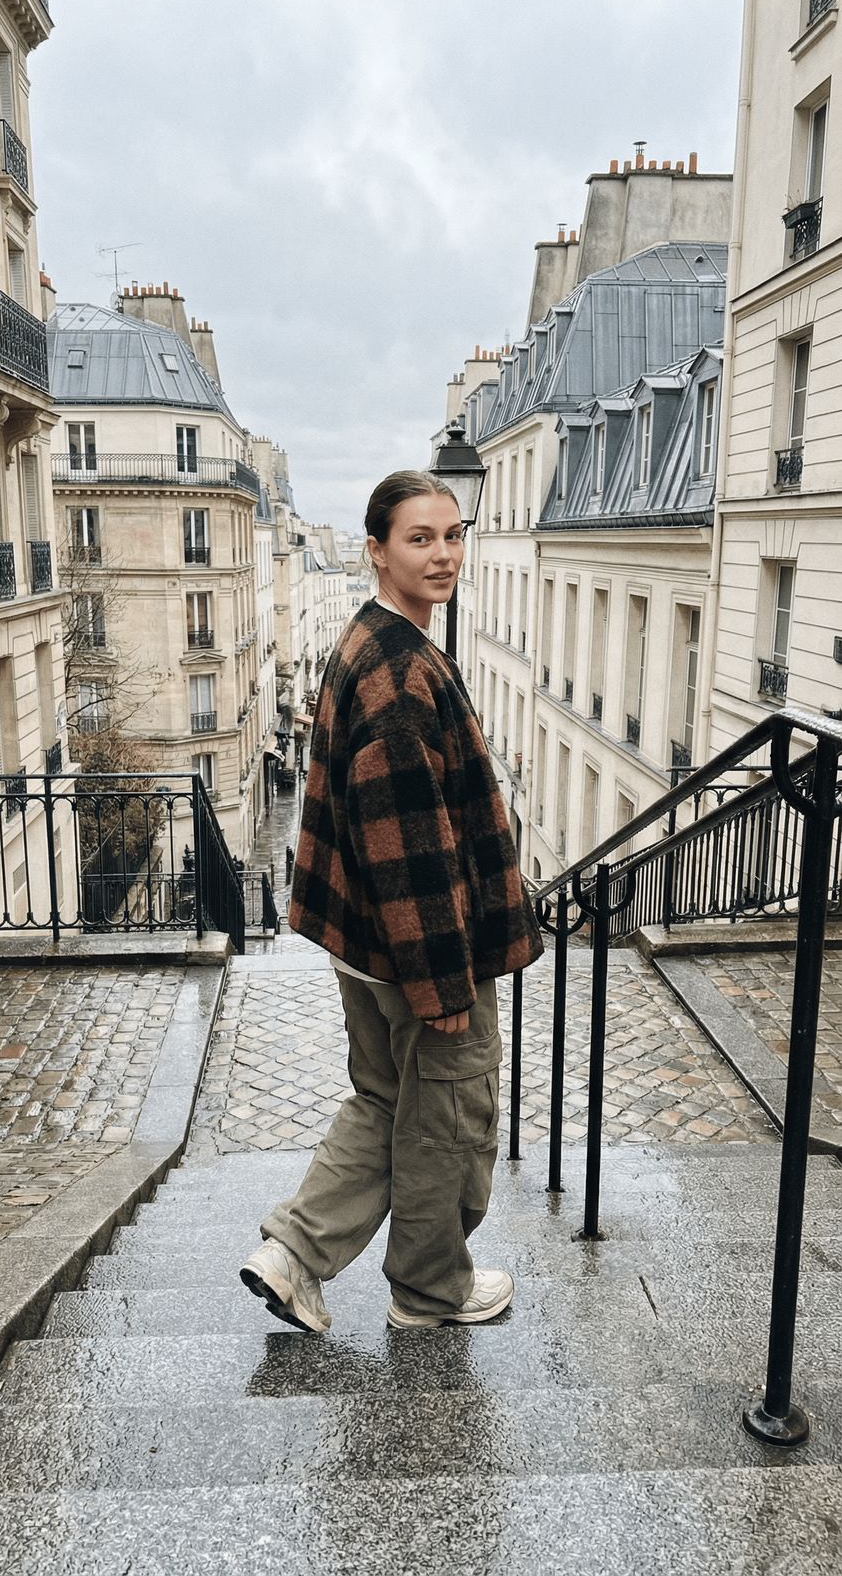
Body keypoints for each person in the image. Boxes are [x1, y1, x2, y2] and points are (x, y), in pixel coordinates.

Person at [240, 469, 543, 1331]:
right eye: (420, 538)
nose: (443, 554)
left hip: (364, 943)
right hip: (420, 953)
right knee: (447, 1117)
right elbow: (407, 849)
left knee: (384, 1100)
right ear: (376, 551)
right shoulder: (403, 677)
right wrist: (442, 985)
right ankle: (429, 1289)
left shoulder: (367, 641)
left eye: (452, 535)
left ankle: (292, 1255)